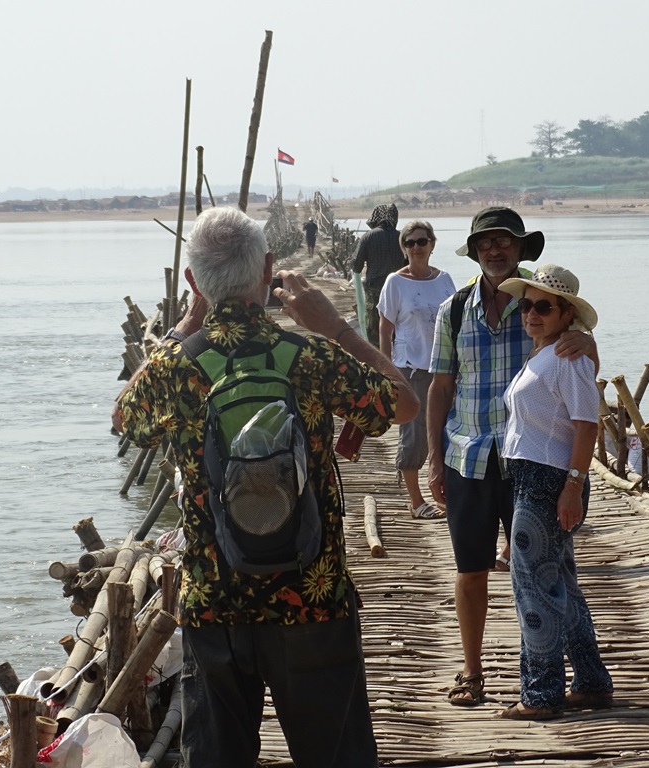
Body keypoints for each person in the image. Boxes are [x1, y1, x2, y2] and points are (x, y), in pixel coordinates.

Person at [114, 207, 418, 768]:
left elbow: (124, 417)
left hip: (215, 603)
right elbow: (403, 402)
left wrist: (184, 326)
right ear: (270, 270)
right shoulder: (309, 356)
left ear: (193, 284)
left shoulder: (177, 367)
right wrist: (337, 326)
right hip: (312, 596)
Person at [426, 206, 599, 707]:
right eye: (485, 243)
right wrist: (435, 460)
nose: (495, 250)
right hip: (469, 455)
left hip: (533, 465)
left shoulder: (548, 299)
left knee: (541, 577)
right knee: (471, 569)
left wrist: (587, 341)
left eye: (505, 242)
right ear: (475, 251)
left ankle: (548, 689)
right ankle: (473, 672)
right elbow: (440, 387)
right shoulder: (454, 309)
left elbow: (584, 375)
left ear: (522, 249)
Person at [496, 264, 613, 720]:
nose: (532, 313)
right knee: (558, 583)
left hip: (549, 480)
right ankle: (591, 681)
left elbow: (588, 425)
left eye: (543, 306)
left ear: (567, 315)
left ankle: (542, 694)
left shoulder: (569, 356)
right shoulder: (547, 353)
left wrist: (573, 486)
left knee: (533, 589)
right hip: (534, 476)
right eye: (526, 305)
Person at [378, 219, 455, 520]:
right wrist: (387, 372)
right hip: (410, 369)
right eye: (410, 243)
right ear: (403, 248)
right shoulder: (395, 282)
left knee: (448, 432)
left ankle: (447, 496)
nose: (416, 248)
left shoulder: (445, 279)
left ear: (432, 244)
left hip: (445, 368)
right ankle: (416, 501)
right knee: (414, 435)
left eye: (422, 241)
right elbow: (385, 329)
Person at [352, 202, 406, 347]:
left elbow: (356, 266)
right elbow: (409, 266)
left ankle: (378, 363)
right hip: (398, 290)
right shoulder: (402, 238)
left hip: (374, 290)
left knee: (374, 328)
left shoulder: (368, 237)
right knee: (397, 326)